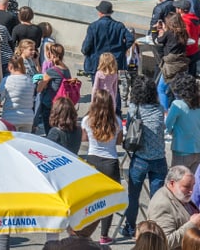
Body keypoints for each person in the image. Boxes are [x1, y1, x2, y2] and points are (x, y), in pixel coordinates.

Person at [122, 75, 171, 237]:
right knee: (157, 200)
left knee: (133, 196)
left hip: (140, 158)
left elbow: (129, 127)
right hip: (159, 159)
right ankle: (154, 230)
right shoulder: (159, 108)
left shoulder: (134, 108)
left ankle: (129, 227)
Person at [80, 89, 123, 244]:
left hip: (92, 160)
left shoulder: (86, 120)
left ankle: (85, 232)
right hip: (110, 162)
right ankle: (104, 235)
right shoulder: (117, 121)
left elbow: (84, 139)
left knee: (91, 200)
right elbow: (119, 142)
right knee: (109, 200)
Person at [147, 165, 200, 250]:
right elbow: (164, 242)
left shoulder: (179, 194)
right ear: (172, 183)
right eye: (186, 186)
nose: (192, 191)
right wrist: (192, 224)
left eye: (193, 185)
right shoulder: (161, 204)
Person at [166, 72, 200, 172]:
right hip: (197, 149)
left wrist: (173, 131)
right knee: (193, 184)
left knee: (177, 182)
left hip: (181, 150)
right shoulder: (198, 103)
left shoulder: (177, 104)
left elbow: (167, 126)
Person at [0, 55, 34, 132]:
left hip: (10, 117)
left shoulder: (7, 80)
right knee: (25, 143)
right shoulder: (29, 80)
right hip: (28, 118)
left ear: (10, 67)